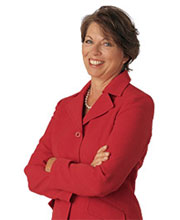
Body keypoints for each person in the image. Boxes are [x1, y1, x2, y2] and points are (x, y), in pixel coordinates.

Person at [24, 5, 155, 220]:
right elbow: (32, 174)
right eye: (89, 41)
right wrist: (84, 170)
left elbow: (103, 180)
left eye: (107, 43)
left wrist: (54, 165)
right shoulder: (65, 106)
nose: (94, 52)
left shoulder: (136, 104)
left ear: (125, 55)